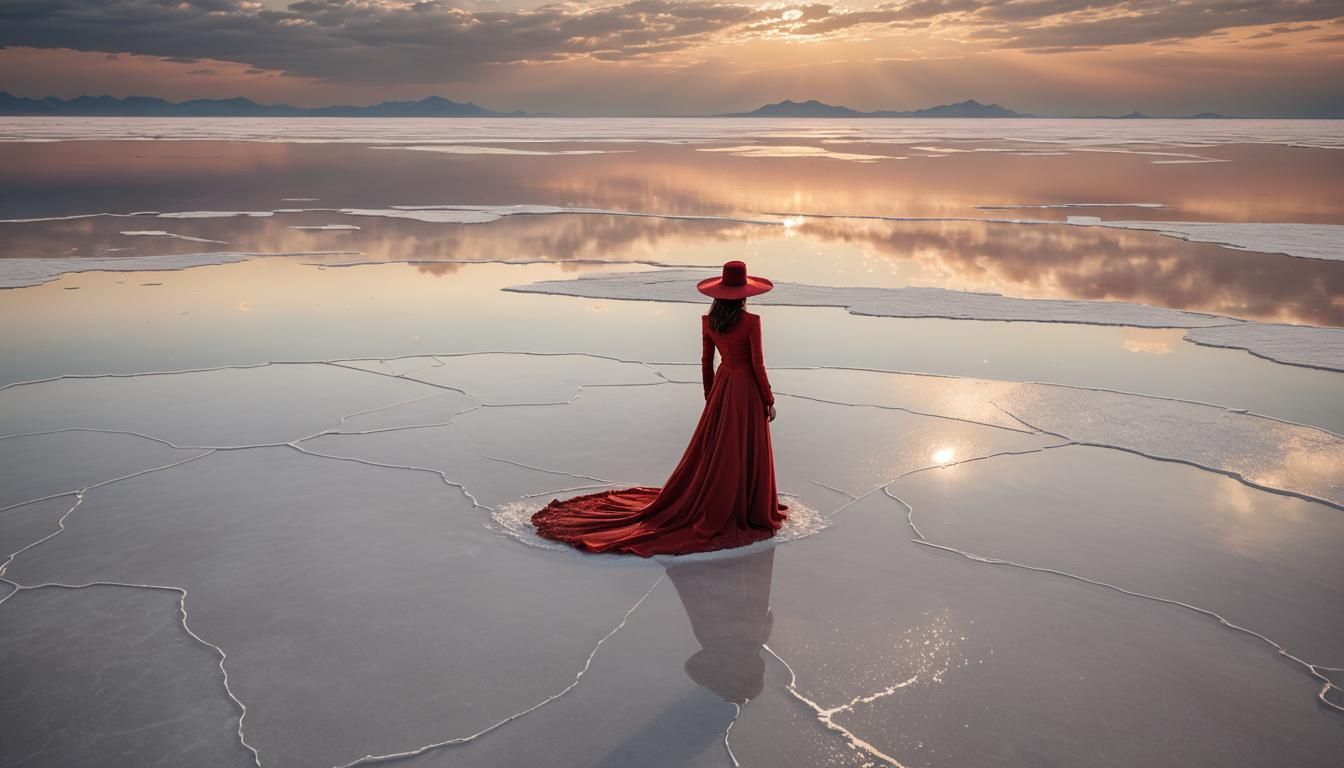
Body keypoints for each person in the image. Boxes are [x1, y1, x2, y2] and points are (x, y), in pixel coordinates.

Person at [531, 260, 788, 556]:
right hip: (745, 391)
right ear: (745, 294)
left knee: (721, 449)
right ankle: (747, 506)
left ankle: (724, 499)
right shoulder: (752, 322)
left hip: (723, 387)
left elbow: (707, 363)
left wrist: (711, 396)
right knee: (742, 447)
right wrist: (768, 400)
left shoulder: (709, 322)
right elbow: (757, 365)